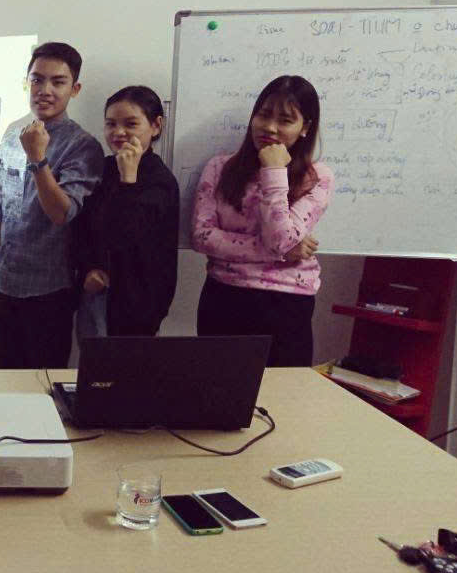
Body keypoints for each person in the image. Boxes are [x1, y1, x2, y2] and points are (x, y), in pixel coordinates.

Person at [0, 42, 101, 369]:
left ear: (75, 89)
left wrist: (37, 157)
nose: (45, 90)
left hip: (50, 290)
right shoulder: (13, 134)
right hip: (5, 282)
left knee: (44, 384)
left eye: (58, 82)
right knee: (6, 378)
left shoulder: (82, 146)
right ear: (26, 83)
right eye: (37, 80)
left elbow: (62, 213)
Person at [192, 74, 334, 367]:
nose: (270, 127)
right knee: (217, 389)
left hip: (287, 303)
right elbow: (203, 237)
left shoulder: (318, 176)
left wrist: (274, 171)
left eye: (285, 120)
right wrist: (281, 253)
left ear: (305, 128)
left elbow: (279, 239)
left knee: (283, 393)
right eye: (264, 114)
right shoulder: (220, 167)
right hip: (224, 295)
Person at [72, 85, 179, 339]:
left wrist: (128, 180)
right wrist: (88, 269)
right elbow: (81, 228)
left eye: (131, 124)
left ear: (156, 126)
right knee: (93, 362)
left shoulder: (160, 180)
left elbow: (127, 237)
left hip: (138, 305)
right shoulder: (103, 168)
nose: (118, 132)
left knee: (129, 364)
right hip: (96, 297)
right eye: (110, 124)